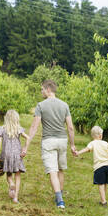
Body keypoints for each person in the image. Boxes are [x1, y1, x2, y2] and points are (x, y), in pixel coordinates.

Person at [21, 79, 76, 209]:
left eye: (42, 89)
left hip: (48, 141)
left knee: (52, 170)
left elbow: (34, 127)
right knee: (61, 169)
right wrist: (72, 145)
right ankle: (60, 195)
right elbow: (70, 127)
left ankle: (60, 200)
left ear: (48, 89)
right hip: (62, 141)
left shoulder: (41, 105)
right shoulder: (64, 105)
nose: (41, 91)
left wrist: (26, 145)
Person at [74, 126, 108, 207]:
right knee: (105, 183)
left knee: (100, 184)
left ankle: (103, 201)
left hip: (99, 167)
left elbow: (86, 149)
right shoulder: (105, 143)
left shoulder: (92, 143)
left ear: (92, 135)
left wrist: (78, 153)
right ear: (100, 135)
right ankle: (103, 198)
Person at [0, 110, 29, 203]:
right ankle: (15, 197)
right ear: (16, 119)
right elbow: (28, 138)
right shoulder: (18, 129)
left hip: (6, 155)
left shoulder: (2, 129)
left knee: (9, 174)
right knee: (17, 174)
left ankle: (11, 183)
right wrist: (24, 149)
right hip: (16, 154)